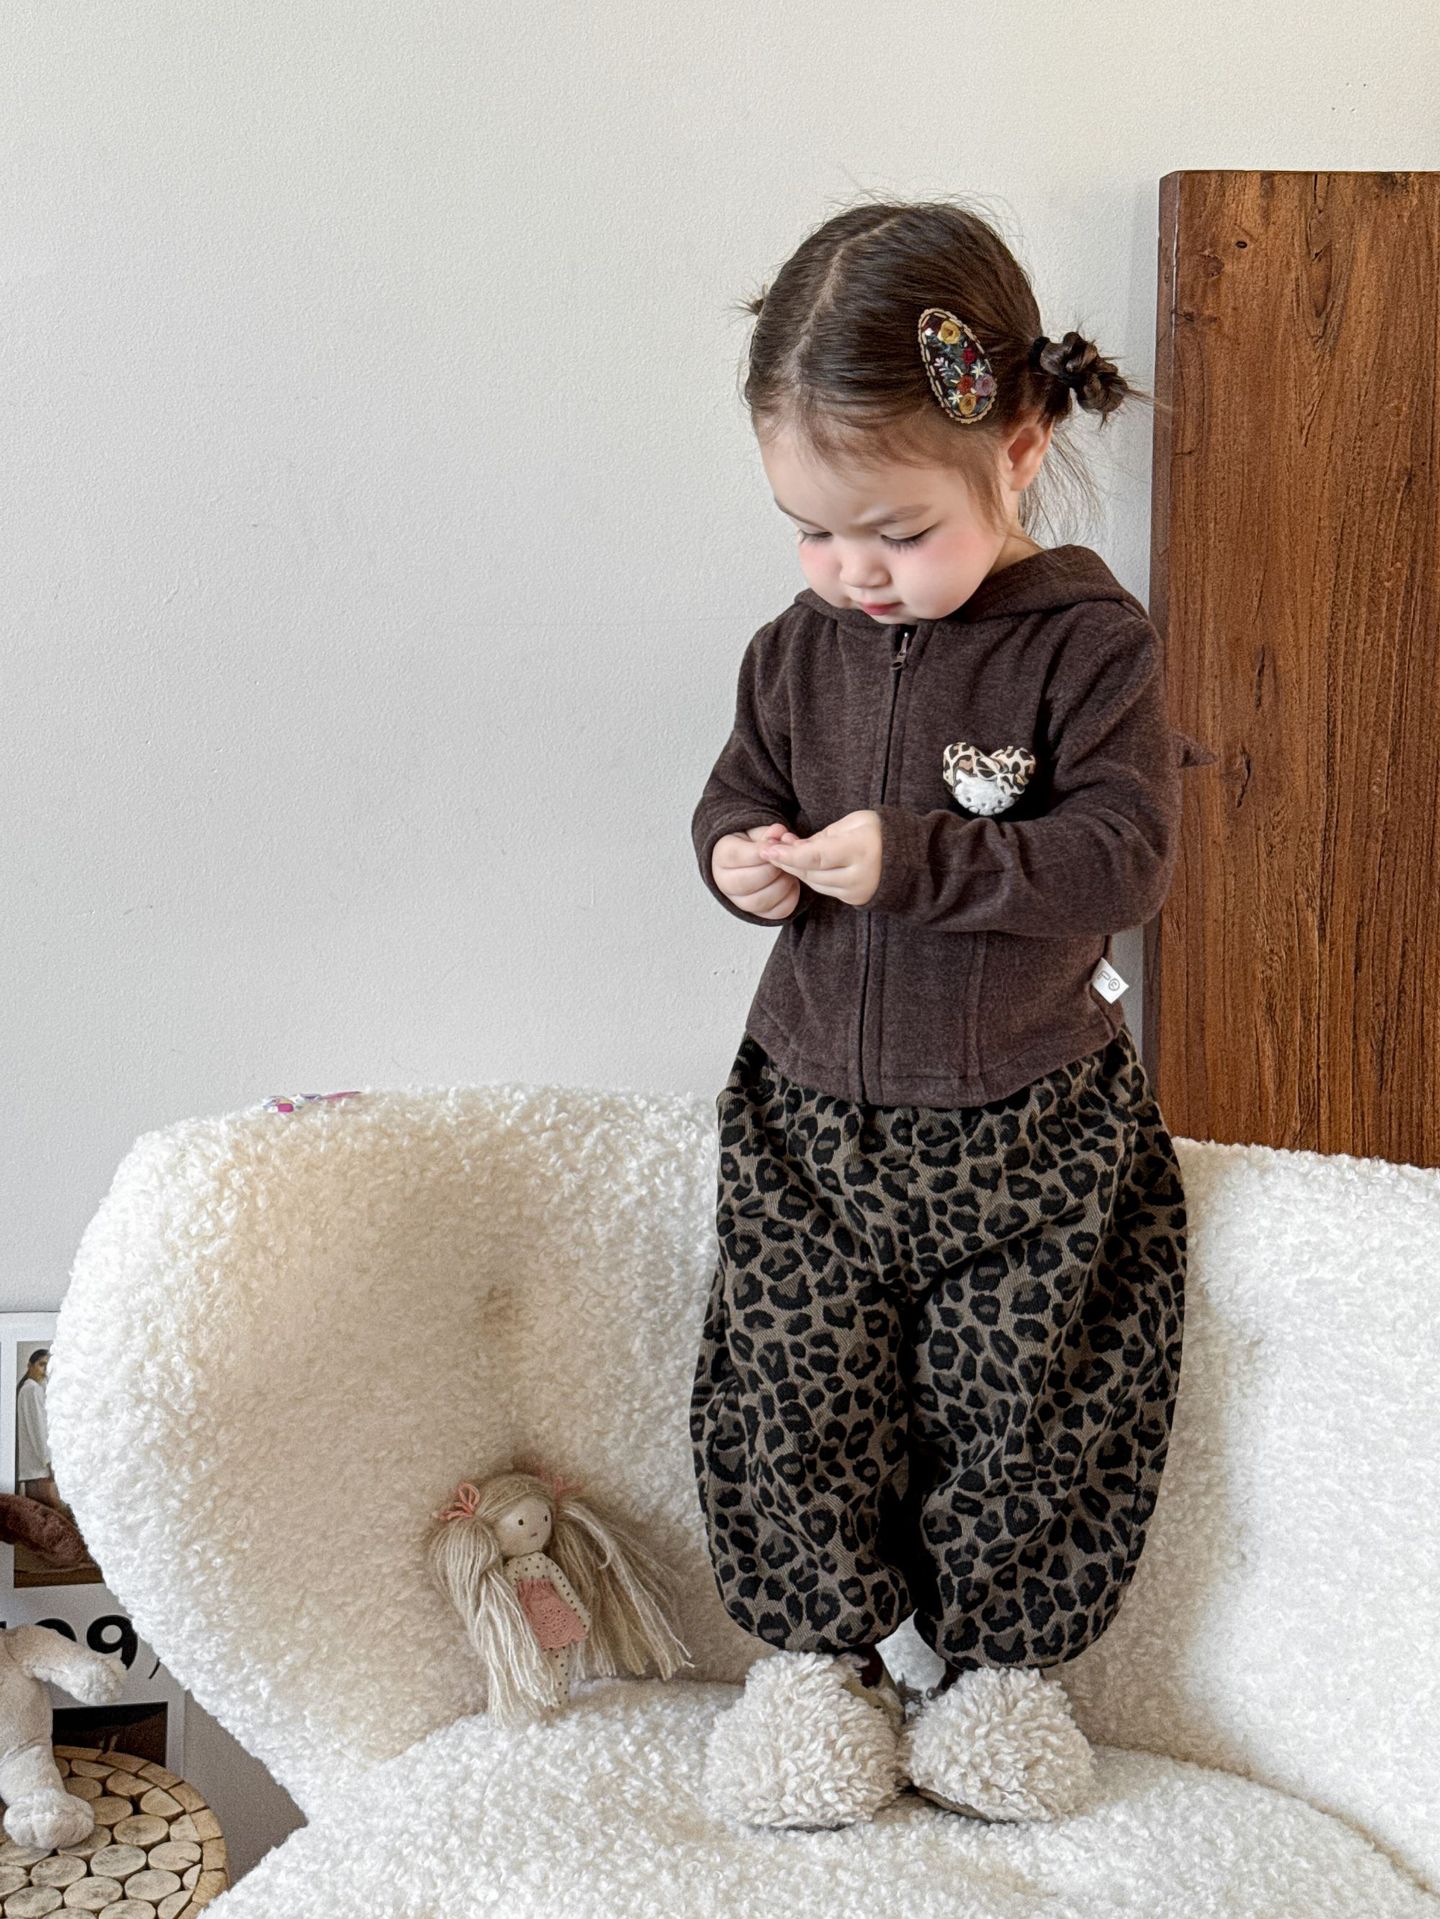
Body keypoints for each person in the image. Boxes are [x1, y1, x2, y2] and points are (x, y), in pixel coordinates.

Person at [688, 198, 1209, 1831]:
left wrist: (921, 859)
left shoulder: (1087, 648)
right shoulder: (796, 652)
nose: (852, 573)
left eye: (896, 532)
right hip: (808, 1115)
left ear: (1019, 451)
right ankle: (815, 1670)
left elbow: (1122, 858)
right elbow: (737, 791)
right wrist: (737, 859)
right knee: (791, 1386)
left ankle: (1000, 1683)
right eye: (810, 530)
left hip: (1029, 1126)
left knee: (1033, 1403)